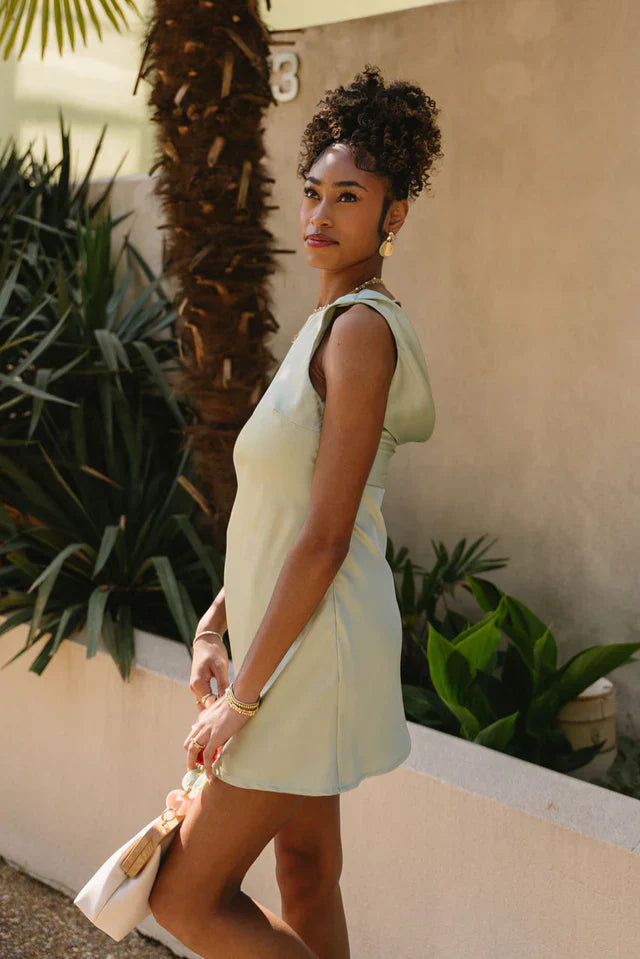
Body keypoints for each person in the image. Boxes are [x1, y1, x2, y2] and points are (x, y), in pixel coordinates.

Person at [150, 63, 443, 958]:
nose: (320, 213)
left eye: (349, 197)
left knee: (184, 895)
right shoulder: (324, 326)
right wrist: (213, 623)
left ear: (393, 216)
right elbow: (278, 518)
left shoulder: (360, 332)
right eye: (314, 191)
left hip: (315, 651)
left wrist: (241, 698)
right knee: (306, 871)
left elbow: (323, 537)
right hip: (297, 636)